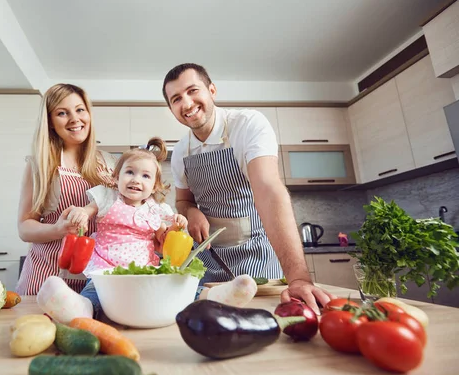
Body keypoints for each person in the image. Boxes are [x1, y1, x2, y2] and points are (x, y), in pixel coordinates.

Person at [162, 63, 334, 314]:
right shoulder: (180, 152)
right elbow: (183, 202)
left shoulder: (247, 124)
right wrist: (191, 212)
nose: (186, 104)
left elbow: (267, 189)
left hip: (259, 258)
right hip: (210, 263)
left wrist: (298, 278)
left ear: (212, 90)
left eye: (192, 91)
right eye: (176, 99)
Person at [36, 137, 189, 321]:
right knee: (94, 296)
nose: (136, 179)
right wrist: (81, 214)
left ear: (154, 185)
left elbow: (165, 241)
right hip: (104, 270)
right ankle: (79, 308)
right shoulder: (108, 197)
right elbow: (87, 210)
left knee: (146, 302)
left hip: (142, 273)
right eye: (130, 172)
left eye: (145, 176)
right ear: (116, 177)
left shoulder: (156, 210)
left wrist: (176, 225)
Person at [15, 83, 117, 296]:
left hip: (97, 278)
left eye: (80, 109)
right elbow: (25, 226)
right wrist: (58, 230)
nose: (74, 119)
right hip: (48, 276)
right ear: (51, 122)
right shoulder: (41, 164)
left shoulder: (110, 164)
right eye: (62, 113)